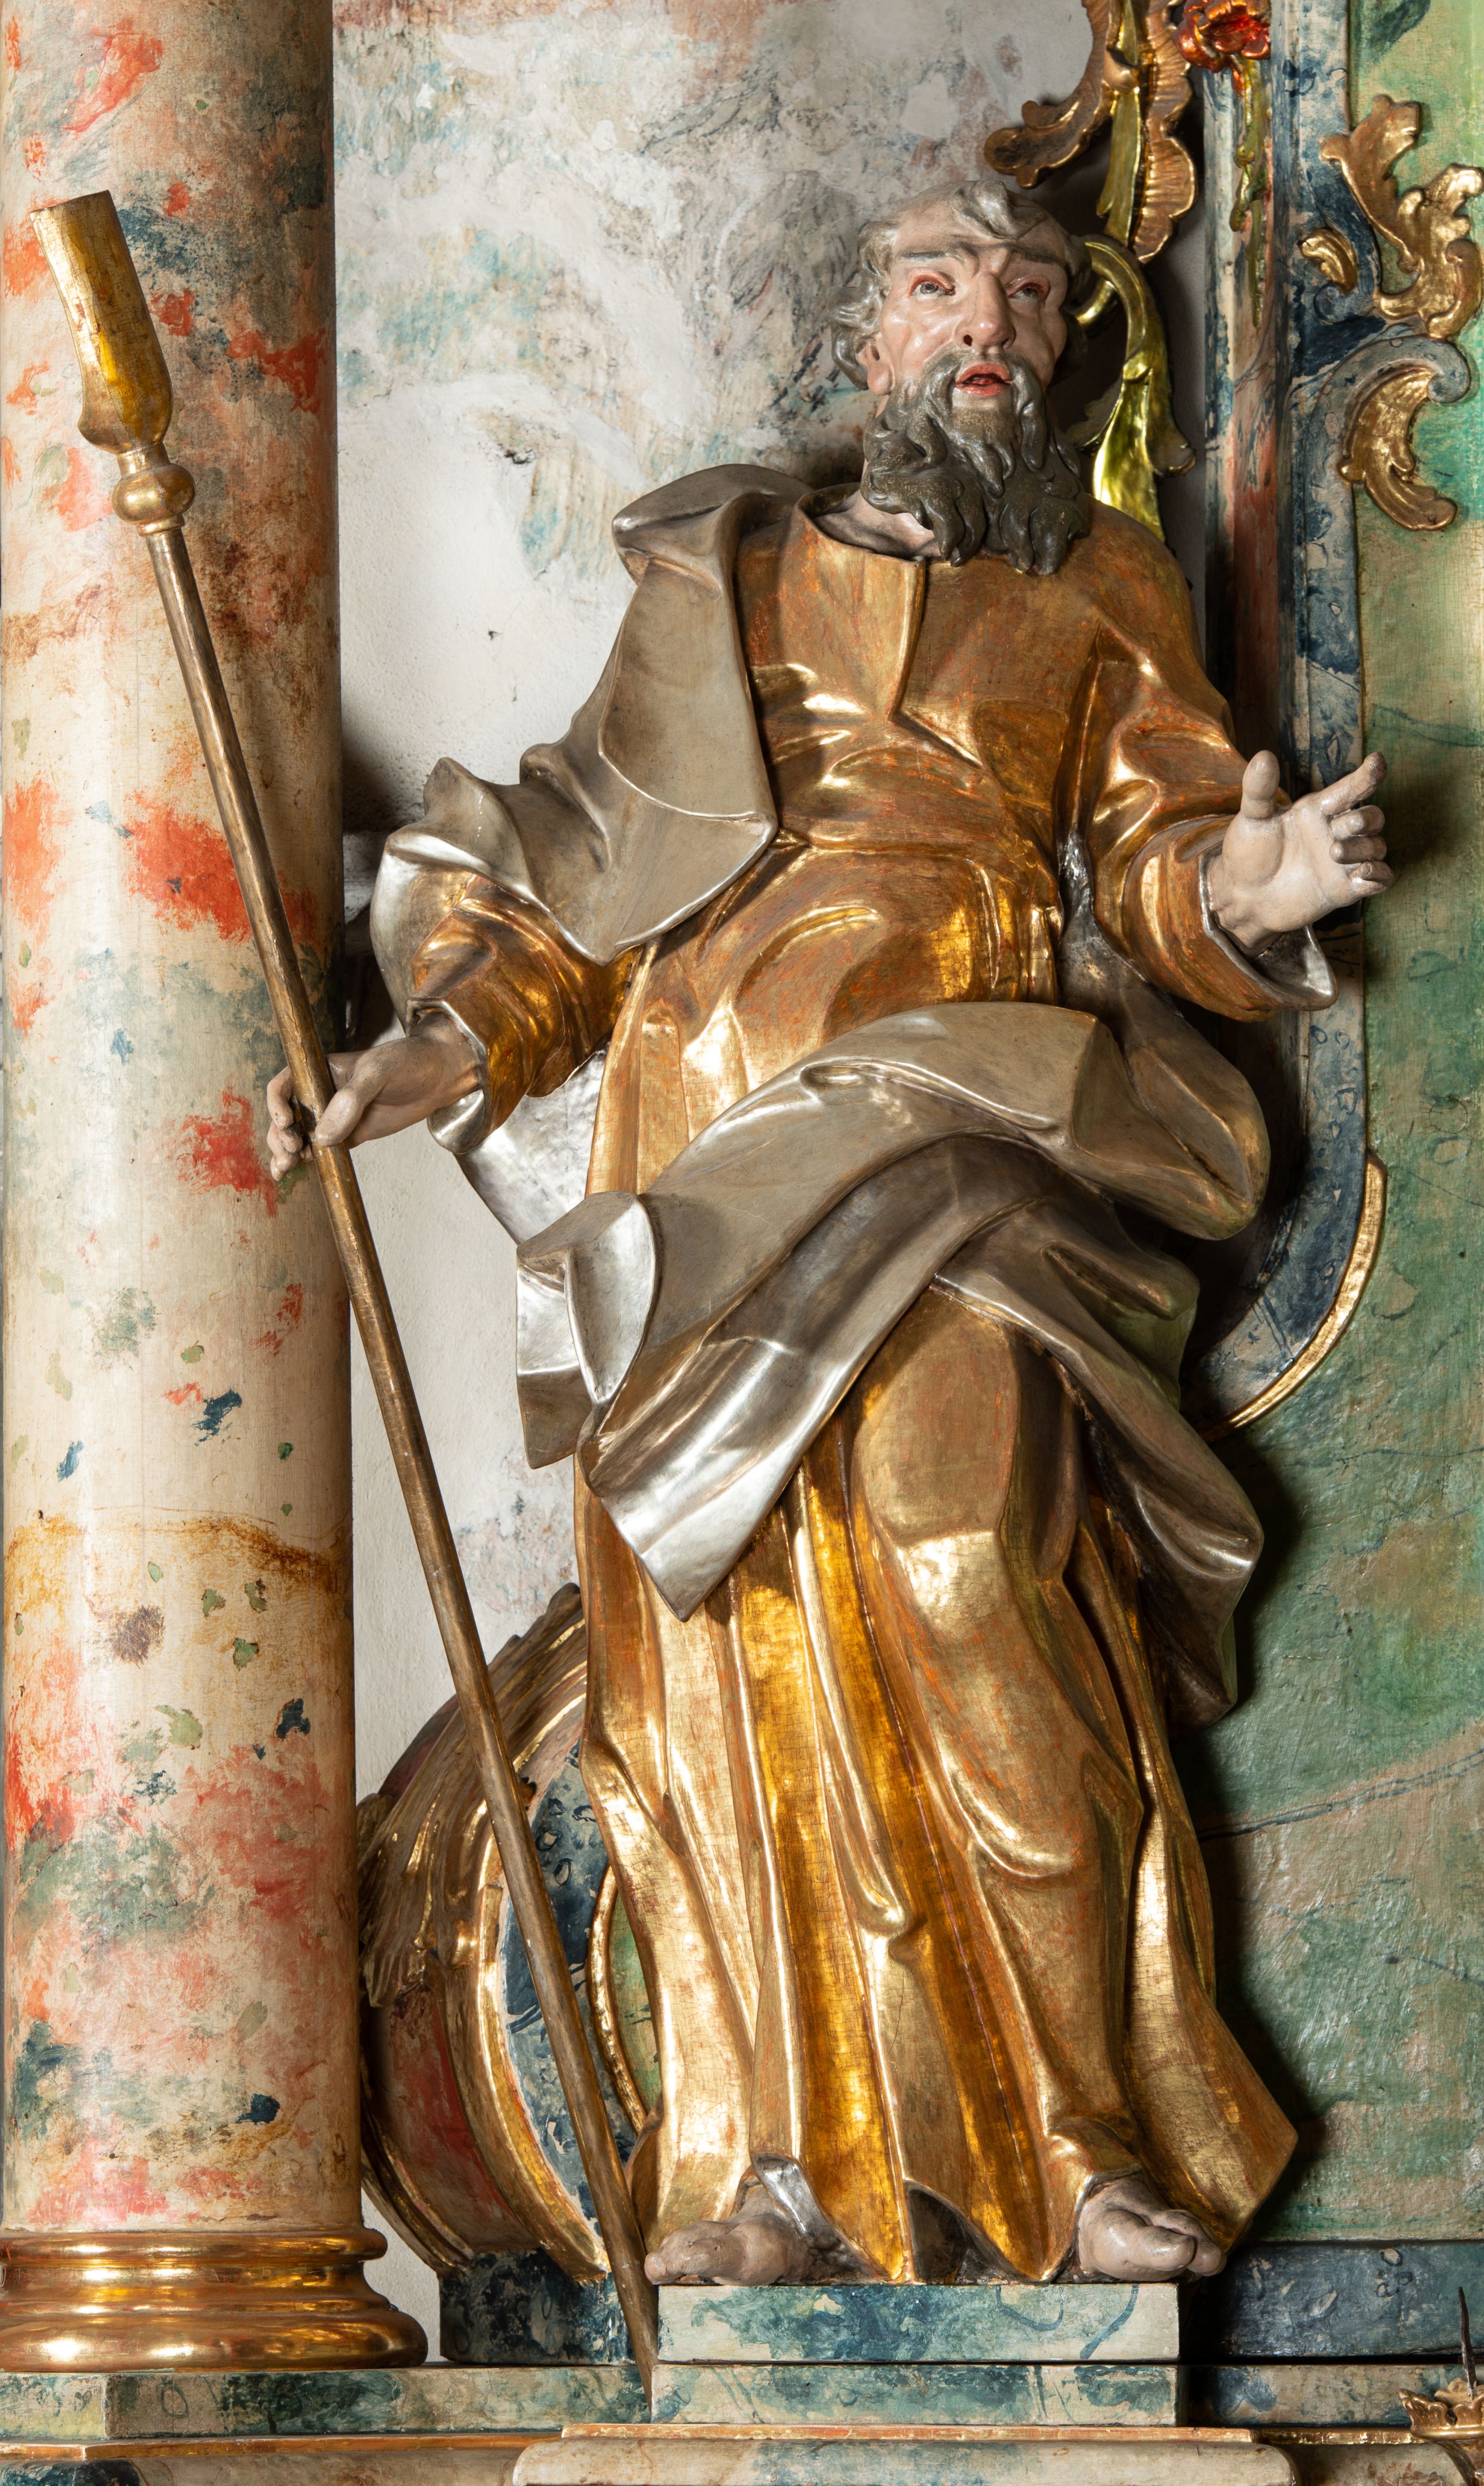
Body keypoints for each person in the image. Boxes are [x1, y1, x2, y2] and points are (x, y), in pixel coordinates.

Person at [268, 176, 1391, 2289]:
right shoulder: (725, 573)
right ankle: (777, 2165)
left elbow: (1159, 847)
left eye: (1033, 293)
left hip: (973, 1108)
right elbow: (583, 886)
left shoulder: (1099, 580)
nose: (993, 323)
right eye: (943, 285)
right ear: (862, 335)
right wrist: (438, 1046)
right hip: (701, 1154)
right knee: (722, 1656)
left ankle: (1081, 2144)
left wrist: (1241, 898)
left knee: (974, 1577)